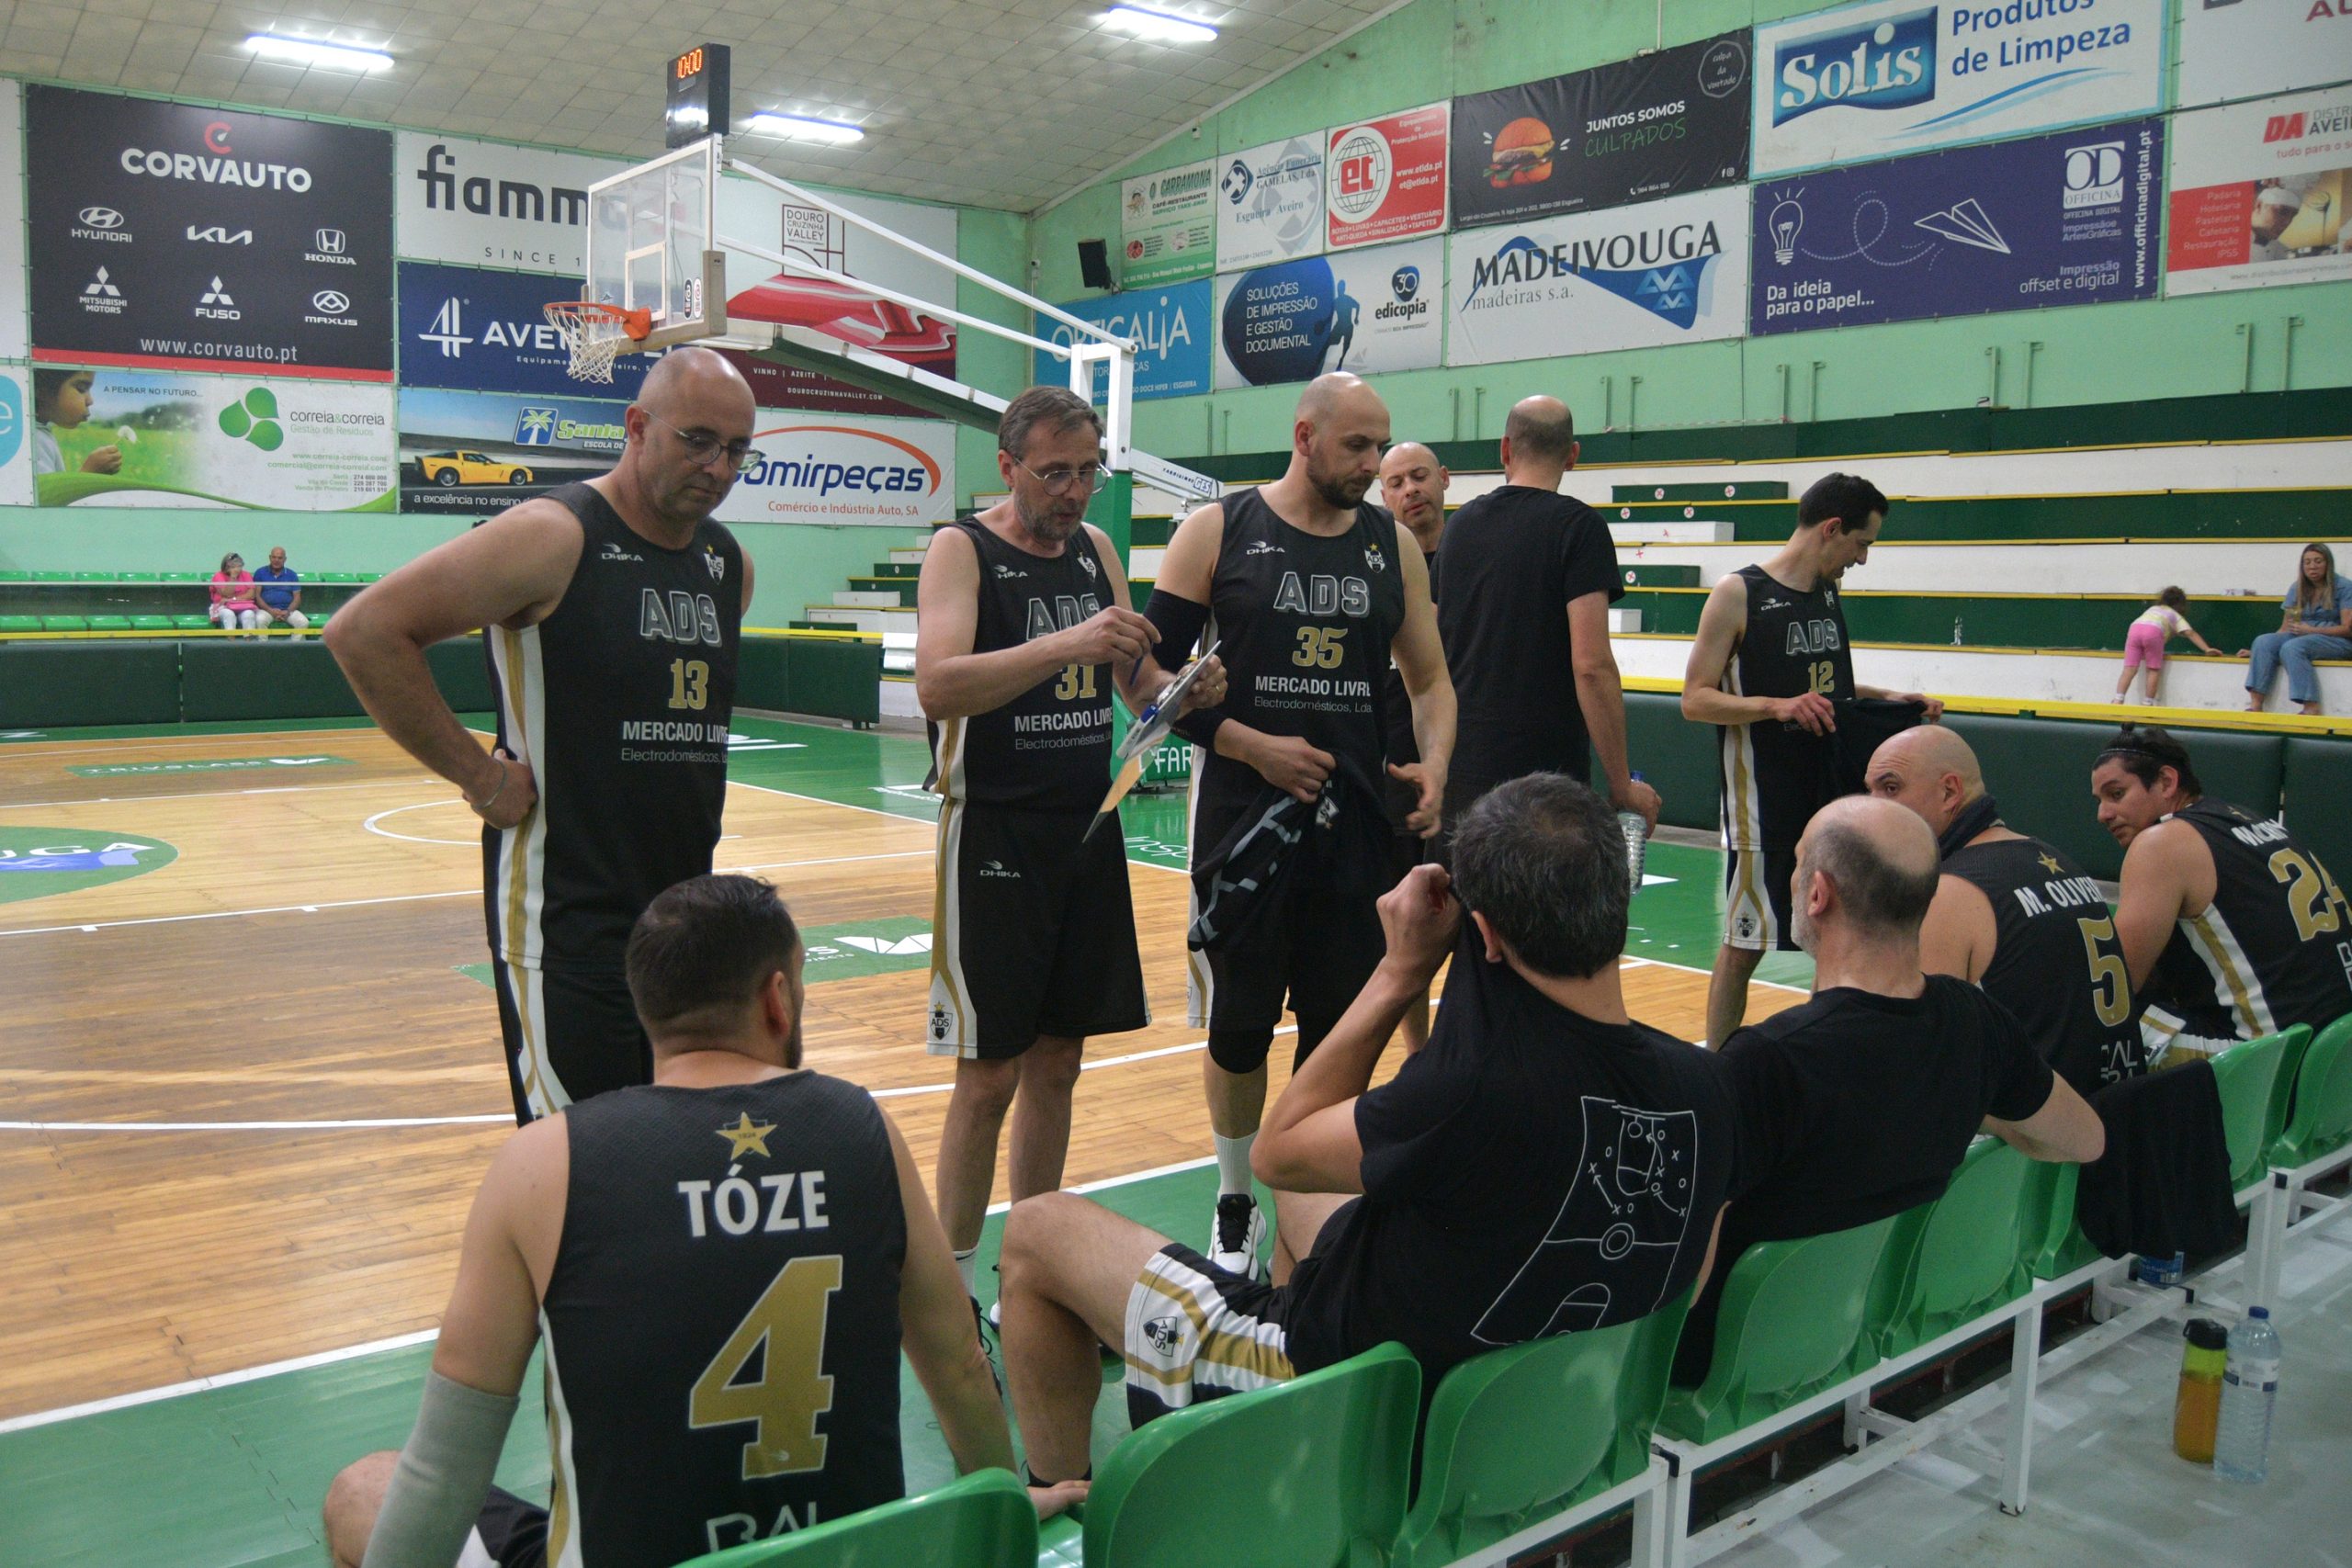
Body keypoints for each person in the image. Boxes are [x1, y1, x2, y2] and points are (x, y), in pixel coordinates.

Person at [995, 775, 1741, 1486]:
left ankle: (1065, 1489)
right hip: (1544, 1424)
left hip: (1376, 1420)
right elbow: (1687, 1280)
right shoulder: (1705, 1087)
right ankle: (1273, 1438)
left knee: (1035, 1231)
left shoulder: (1469, 1093)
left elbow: (1277, 1151)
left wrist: (1400, 970)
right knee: (1310, 1198)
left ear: (1483, 934)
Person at [320, 875, 1083, 1568]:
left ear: (647, 1008)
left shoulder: (540, 1163)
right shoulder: (863, 1129)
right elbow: (958, 1366)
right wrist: (1003, 1511)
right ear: (777, 998)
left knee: (364, 1487)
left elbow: (445, 1467)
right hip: (845, 1559)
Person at [328, 347, 759, 1123]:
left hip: (684, 926)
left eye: (736, 450)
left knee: (664, 1159)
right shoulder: (553, 535)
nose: (718, 467)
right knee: (581, 1167)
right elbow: (364, 632)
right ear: (637, 426)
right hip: (567, 925)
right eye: (698, 440)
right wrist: (479, 775)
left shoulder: (727, 563)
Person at [913, 386, 1226, 1324]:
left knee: (1058, 1063)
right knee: (988, 1076)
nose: (1075, 490)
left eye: (1088, 472)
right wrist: (1068, 643)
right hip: (994, 832)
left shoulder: (1094, 550)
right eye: (1055, 472)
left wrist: (1181, 689)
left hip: (1086, 832)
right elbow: (938, 684)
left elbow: (1131, 676)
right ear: (1008, 465)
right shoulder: (961, 549)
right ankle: (951, 1292)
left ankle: (1031, 1271)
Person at [1136, 372, 1454, 1279]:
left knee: (1336, 1031)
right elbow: (1143, 679)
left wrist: (1436, 764)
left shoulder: (1391, 546)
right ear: (1305, 436)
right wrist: (1248, 745)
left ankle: (1312, 1210)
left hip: (1356, 830)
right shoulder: (1218, 530)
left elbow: (1430, 680)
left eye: (1381, 444)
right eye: (1357, 446)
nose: (1374, 463)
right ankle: (1235, 1197)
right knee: (1238, 1032)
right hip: (1244, 826)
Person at [1678, 796, 2105, 1386]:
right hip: (1866, 1329)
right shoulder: (1977, 1022)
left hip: (1734, 1362)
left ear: (1818, 894)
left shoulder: (1765, 1062)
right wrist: (1970, 1103)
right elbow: (2085, 1139)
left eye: (1798, 865)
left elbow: (1684, 1278)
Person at [1680, 472, 1943, 1047]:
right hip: (1763, 802)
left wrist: (1886, 697)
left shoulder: (1827, 591)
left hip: (1830, 795)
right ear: (1832, 529)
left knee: (1839, 934)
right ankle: (1719, 1065)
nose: (1862, 558)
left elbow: (1827, 689)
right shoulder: (1738, 593)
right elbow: (1694, 699)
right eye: (1862, 543)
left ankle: (1826, 1053)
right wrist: (1775, 706)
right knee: (1744, 944)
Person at [1864, 727, 2144, 1092]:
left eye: (1890, 788)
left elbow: (1918, 1061)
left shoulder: (1948, 893)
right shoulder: (2056, 859)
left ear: (1949, 792)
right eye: (1869, 791)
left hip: (2038, 1122)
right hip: (2121, 1105)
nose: (1872, 807)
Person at [1435, 396, 1658, 842]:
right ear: (1572, 455)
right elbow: (1591, 665)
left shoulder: (1459, 525)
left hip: (1462, 769)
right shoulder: (1579, 528)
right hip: (1543, 788)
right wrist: (1621, 783)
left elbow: (1434, 646)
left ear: (1504, 449)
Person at [2095, 726, 2352, 1063]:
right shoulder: (2249, 819)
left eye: (2116, 794)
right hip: (2337, 1042)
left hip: (2272, 1056)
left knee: (2089, 1018)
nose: (2103, 814)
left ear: (2167, 782)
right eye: (2099, 801)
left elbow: (2116, 987)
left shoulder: (2160, 843)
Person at [1375, 440, 1450, 1053]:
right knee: (1404, 917)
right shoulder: (1377, 564)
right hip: (1397, 763)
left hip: (1463, 760)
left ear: (1444, 479)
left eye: (1419, 476)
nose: (1410, 490)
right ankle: (1417, 1054)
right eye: (1396, 482)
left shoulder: (1472, 557)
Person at [2242, 544, 2352, 716]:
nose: (2312, 566)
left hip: (2338, 641)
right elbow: (2285, 628)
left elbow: (2347, 629)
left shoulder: (2345, 587)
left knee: (2293, 647)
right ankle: (2256, 705)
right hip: (2302, 635)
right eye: (2307, 562)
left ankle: (2311, 706)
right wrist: (2257, 651)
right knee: (2263, 641)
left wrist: (2312, 630)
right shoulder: (2297, 587)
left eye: (2318, 561)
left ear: (2328, 564)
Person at [2112, 587, 2216, 706]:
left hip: (2134, 629)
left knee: (2129, 669)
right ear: (2181, 605)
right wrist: (2207, 649)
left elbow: (2146, 629)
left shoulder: (2153, 609)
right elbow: (2190, 633)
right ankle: (2147, 703)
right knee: (2153, 670)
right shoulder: (2175, 615)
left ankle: (2118, 700)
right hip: (2154, 631)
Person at [29, 367, 120, 479]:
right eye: (81, 388)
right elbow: (48, 490)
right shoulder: (34, 440)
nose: (90, 401)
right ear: (42, 389)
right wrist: (89, 473)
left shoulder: (41, 432)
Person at [254, 546, 311, 640]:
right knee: (260, 620)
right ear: (270, 557)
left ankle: (295, 647)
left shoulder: (292, 575)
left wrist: (287, 611)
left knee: (303, 622)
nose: (276, 560)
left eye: (280, 558)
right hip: (266, 610)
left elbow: (297, 598)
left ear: (285, 559)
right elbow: (257, 596)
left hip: (288, 610)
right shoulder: (260, 573)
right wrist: (270, 610)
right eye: (274, 557)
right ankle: (262, 647)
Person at [209, 552, 261, 636]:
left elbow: (251, 594)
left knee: (249, 614)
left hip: (243, 606)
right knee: (229, 615)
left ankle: (249, 641)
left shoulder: (246, 575)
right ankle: (231, 641)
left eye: (239, 566)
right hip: (224, 607)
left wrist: (233, 599)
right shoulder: (218, 576)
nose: (237, 569)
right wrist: (233, 578)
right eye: (233, 567)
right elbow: (227, 594)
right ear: (226, 567)